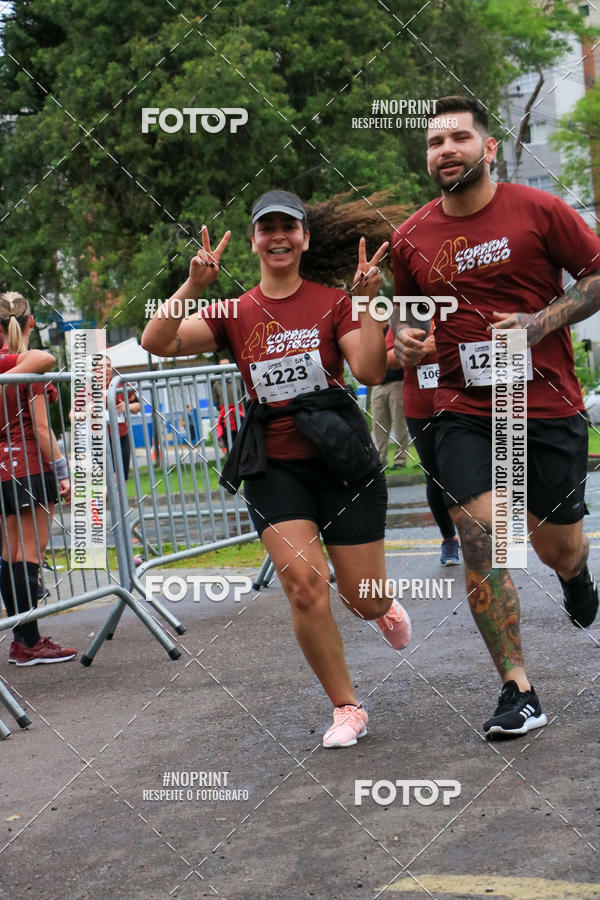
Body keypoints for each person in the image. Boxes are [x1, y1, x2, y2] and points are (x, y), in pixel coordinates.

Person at [142, 189, 412, 748]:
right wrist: (195, 285)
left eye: (290, 227)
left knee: (361, 596)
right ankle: (347, 707)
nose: (279, 237)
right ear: (254, 241)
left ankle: (381, 609)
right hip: (274, 464)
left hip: (339, 458)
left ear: (305, 238)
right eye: (267, 228)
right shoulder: (233, 311)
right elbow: (157, 339)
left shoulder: (333, 302)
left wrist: (367, 301)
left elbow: (366, 369)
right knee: (305, 585)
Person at [392, 95, 600, 738]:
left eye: (458, 137)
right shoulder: (411, 236)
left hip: (541, 399)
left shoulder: (539, 210)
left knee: (554, 541)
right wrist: (406, 340)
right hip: (461, 406)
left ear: (488, 148)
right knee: (480, 530)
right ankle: (519, 690)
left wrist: (540, 323)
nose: (445, 150)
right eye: (434, 142)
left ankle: (575, 575)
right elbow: (406, 316)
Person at [0, 292, 76, 665]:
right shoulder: (32, 369)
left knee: (10, 553)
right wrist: (63, 474)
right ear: (31, 324)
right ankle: (27, 641)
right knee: (30, 553)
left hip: (1, 471)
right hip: (29, 467)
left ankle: (21, 639)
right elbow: (44, 431)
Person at [391, 319, 460, 565]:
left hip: (460, 402)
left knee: (470, 470)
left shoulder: (459, 305)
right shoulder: (410, 314)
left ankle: (482, 537)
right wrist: (419, 349)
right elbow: (386, 358)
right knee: (435, 476)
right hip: (421, 408)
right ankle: (449, 538)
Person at [370, 325, 409, 469]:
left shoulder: (394, 331)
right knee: (378, 424)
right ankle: (380, 460)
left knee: (399, 423)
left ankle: (400, 460)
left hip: (397, 382)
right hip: (378, 384)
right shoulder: (371, 335)